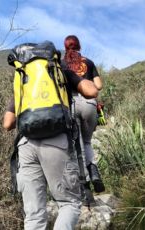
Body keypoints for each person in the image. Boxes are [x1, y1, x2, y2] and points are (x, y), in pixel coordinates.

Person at [3, 57, 98, 229]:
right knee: (69, 203)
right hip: (56, 142)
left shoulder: (24, 82)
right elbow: (92, 91)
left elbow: (7, 124)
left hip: (26, 144)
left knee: (33, 215)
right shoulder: (61, 72)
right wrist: (71, 78)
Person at [63, 35, 105, 193]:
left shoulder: (61, 63)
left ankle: (83, 181)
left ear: (66, 47)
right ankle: (93, 171)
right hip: (89, 103)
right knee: (86, 142)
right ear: (78, 46)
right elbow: (98, 86)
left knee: (73, 146)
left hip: (70, 105)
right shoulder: (88, 61)